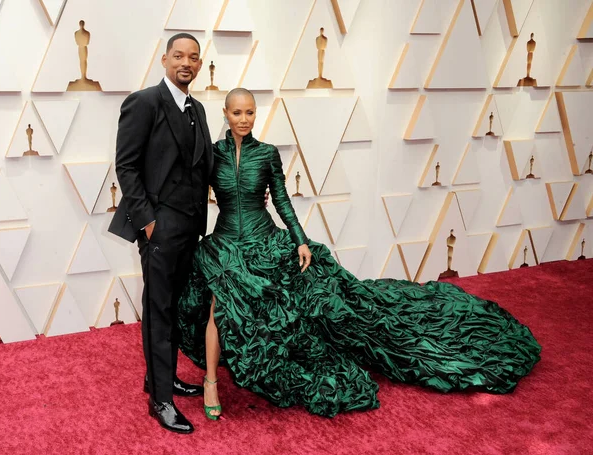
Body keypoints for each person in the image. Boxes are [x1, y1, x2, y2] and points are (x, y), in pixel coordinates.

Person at [178, 88, 541, 419]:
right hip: (225, 244)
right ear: (225, 114)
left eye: (250, 113)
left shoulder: (268, 154)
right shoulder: (211, 155)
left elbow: (283, 201)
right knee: (219, 306)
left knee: (299, 310)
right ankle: (211, 381)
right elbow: (194, 198)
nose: (244, 119)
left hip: (265, 240)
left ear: (256, 115)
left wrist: (301, 239)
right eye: (237, 112)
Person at [109, 33, 214, 434]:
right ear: (164, 59)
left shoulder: (198, 109)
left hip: (189, 227)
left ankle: (161, 378)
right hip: (159, 226)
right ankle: (161, 402)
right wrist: (148, 222)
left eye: (193, 57)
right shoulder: (144, 102)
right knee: (157, 309)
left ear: (199, 65)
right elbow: (126, 166)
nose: (186, 63)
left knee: (170, 307)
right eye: (178, 56)